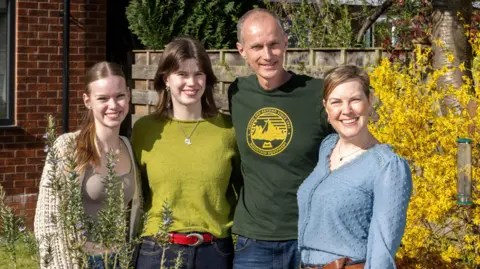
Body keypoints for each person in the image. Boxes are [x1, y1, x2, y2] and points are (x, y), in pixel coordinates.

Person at [228, 8, 334, 269]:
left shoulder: (317, 93)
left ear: (286, 42)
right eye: (257, 47)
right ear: (242, 51)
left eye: (274, 44)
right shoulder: (238, 93)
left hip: (311, 238)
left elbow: (353, 150)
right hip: (254, 241)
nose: (267, 55)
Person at [132, 37, 240, 269]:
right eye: (182, 74)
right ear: (166, 78)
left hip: (215, 253)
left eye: (198, 74)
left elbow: (244, 190)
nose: (191, 82)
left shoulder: (228, 130)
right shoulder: (144, 130)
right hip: (158, 250)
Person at [297, 65, 413, 269]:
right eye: (336, 102)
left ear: (369, 101)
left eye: (355, 100)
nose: (346, 110)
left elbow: (382, 250)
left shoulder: (387, 166)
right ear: (326, 107)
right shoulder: (327, 147)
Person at [34, 62, 143, 269]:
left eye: (119, 96)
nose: (113, 105)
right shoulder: (68, 147)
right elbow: (47, 219)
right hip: (81, 262)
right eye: (102, 98)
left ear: (128, 95)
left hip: (123, 261)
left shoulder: (129, 147)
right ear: (88, 101)